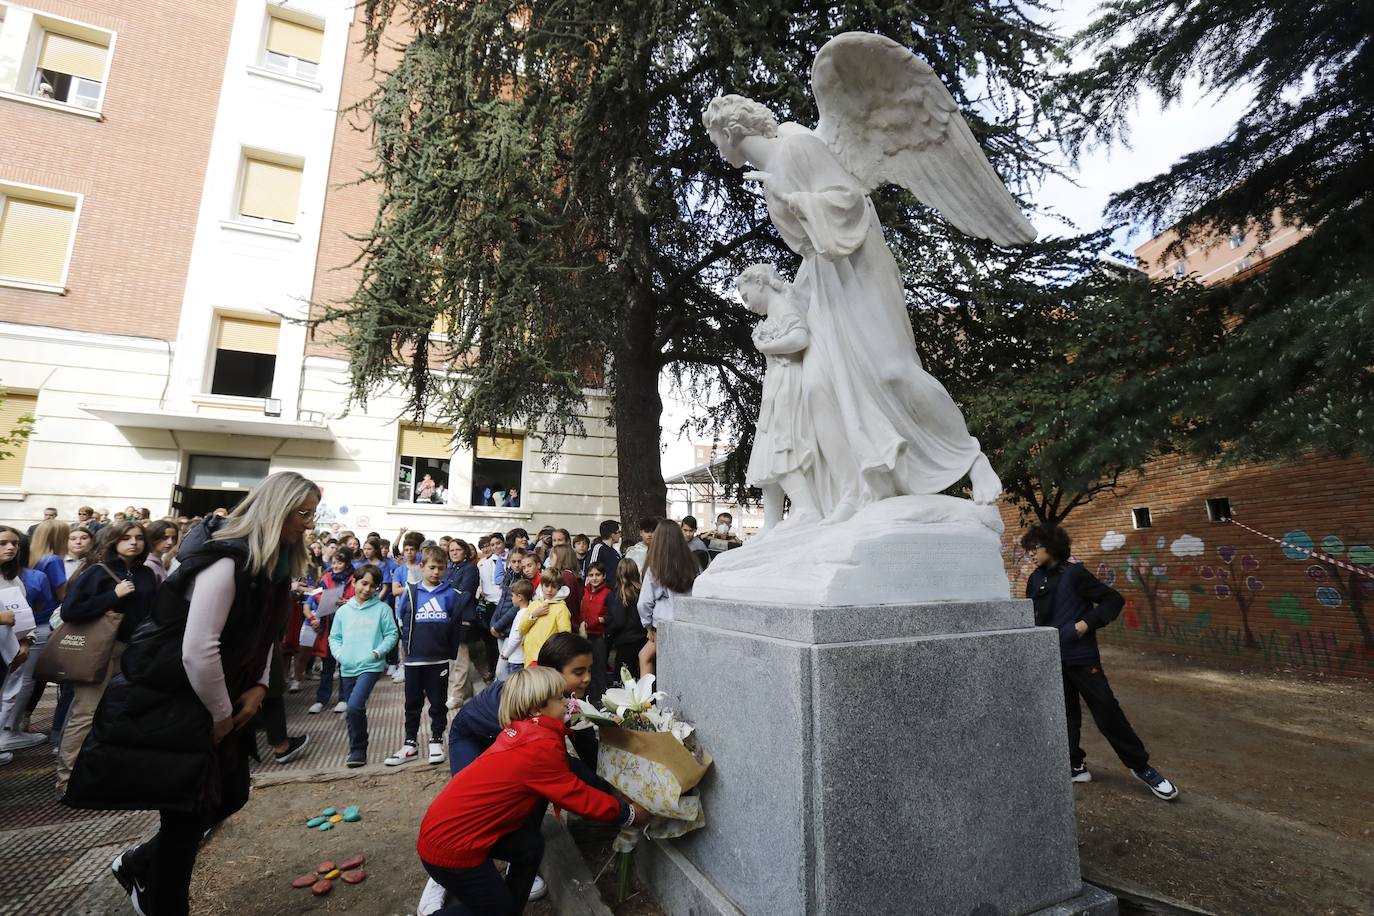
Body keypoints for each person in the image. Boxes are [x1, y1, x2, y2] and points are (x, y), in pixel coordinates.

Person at [68, 472, 319, 916]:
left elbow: (262, 633)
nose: (310, 524)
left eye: (312, 513)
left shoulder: (274, 566)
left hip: (221, 698)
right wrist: (221, 714)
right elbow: (199, 648)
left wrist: (260, 685)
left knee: (231, 792)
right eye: (303, 513)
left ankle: (137, 864)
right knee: (186, 815)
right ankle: (160, 899)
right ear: (276, 509)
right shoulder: (226, 560)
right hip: (182, 701)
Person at [417, 665, 646, 916]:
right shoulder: (537, 747)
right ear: (537, 709)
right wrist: (629, 813)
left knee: (529, 846)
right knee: (496, 911)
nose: (566, 702)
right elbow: (576, 796)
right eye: (559, 699)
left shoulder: (525, 732)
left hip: (449, 832)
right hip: (453, 847)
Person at [430, 633, 603, 911]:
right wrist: (610, 797)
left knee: (532, 798)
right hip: (472, 737)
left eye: (589, 670)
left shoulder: (560, 696)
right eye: (578, 672)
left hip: (503, 739)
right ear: (551, 674)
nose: (586, 679)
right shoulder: (524, 696)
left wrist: (602, 778)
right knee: (478, 812)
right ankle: (446, 877)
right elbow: (559, 767)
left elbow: (583, 741)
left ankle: (515, 870)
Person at [1021, 523, 1179, 801]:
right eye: (1028, 550)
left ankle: (1141, 767)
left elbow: (1112, 600)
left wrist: (1085, 623)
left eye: (1034, 548)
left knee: (1106, 710)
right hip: (1051, 658)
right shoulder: (1035, 579)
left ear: (1051, 545)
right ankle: (1074, 764)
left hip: (1081, 657)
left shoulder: (1075, 574)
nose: (1030, 554)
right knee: (1065, 712)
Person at [51, 522, 157, 784]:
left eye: (139, 538)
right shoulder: (97, 571)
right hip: (99, 650)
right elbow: (70, 611)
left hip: (133, 652)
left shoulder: (145, 574)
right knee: (86, 713)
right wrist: (113, 595)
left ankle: (103, 773)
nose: (133, 542)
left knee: (118, 713)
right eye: (126, 537)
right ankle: (67, 779)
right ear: (113, 540)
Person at [388, 545, 463, 767]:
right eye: (432, 567)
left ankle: (436, 740)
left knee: (438, 703)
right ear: (422, 567)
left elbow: (455, 624)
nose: (436, 572)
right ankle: (410, 743)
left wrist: (449, 651)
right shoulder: (411, 592)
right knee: (412, 703)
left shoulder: (451, 594)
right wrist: (406, 648)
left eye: (441, 568)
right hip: (413, 659)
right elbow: (402, 619)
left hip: (438, 660)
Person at [0, 519, 68, 742]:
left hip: (10, 650)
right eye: (3, 543)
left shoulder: (14, 580)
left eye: (15, 543)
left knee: (9, 694)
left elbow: (24, 616)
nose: (10, 548)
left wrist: (26, 642)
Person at [330, 564, 399, 768]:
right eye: (364, 583)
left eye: (373, 585)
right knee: (353, 710)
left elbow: (392, 634)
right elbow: (335, 637)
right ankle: (356, 751)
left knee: (354, 705)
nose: (368, 589)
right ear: (354, 582)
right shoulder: (343, 611)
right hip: (347, 666)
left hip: (371, 665)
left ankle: (359, 748)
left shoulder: (382, 609)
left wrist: (378, 652)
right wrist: (341, 655)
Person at [638, 519, 699, 677]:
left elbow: (644, 602)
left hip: (663, 623)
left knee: (652, 660)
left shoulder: (656, 566)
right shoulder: (692, 563)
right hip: (687, 620)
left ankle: (647, 699)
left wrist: (648, 625)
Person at [307, 548, 355, 714]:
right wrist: (326, 600)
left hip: (348, 626)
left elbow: (361, 597)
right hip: (328, 626)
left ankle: (343, 698)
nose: (335, 566)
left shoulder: (354, 578)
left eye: (340, 563)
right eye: (334, 562)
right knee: (327, 666)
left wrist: (347, 601)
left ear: (347, 563)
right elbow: (315, 596)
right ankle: (321, 699)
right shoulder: (325, 577)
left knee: (344, 666)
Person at [442, 539, 482, 712]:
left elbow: (466, 593)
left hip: (462, 616)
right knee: (451, 659)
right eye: (451, 550)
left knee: (460, 658)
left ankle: (456, 695)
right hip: (446, 617)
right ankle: (459, 692)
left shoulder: (471, 568)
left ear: (465, 551)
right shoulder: (448, 568)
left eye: (458, 549)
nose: (454, 552)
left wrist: (450, 609)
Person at [517, 569, 572, 667]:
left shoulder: (561, 608)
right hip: (529, 657)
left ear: (559, 588)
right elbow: (521, 629)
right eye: (546, 586)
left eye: (554, 587)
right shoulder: (534, 604)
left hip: (547, 660)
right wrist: (534, 615)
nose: (549, 590)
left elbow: (564, 638)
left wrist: (553, 656)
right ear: (541, 585)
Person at [606, 558, 648, 679]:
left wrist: (608, 629)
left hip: (626, 640)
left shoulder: (622, 593)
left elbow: (619, 621)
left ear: (619, 573)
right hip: (642, 638)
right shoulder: (642, 590)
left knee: (624, 677)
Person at [580, 562, 612, 703]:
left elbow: (613, 615)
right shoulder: (584, 590)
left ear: (604, 576)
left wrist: (603, 619)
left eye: (598, 575)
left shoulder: (608, 593)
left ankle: (600, 700)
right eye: (591, 575)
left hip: (599, 636)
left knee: (599, 668)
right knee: (586, 668)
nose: (594, 578)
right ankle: (586, 699)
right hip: (584, 635)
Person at [496, 579, 536, 680]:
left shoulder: (522, 614)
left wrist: (505, 653)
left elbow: (516, 637)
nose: (511, 599)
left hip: (516, 659)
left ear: (520, 598)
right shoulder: (528, 611)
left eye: (513, 596)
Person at [547, 544, 584, 629]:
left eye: (552, 557)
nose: (549, 561)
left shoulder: (565, 576)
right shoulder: (571, 575)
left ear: (560, 558)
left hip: (565, 623)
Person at [587, 520, 622, 589]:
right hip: (601, 593)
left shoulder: (614, 551)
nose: (620, 535)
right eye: (618, 532)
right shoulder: (599, 548)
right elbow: (591, 569)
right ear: (612, 534)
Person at [143, 520, 180, 584]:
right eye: (164, 538)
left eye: (173, 538)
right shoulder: (147, 564)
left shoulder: (158, 561)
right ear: (153, 537)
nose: (170, 542)